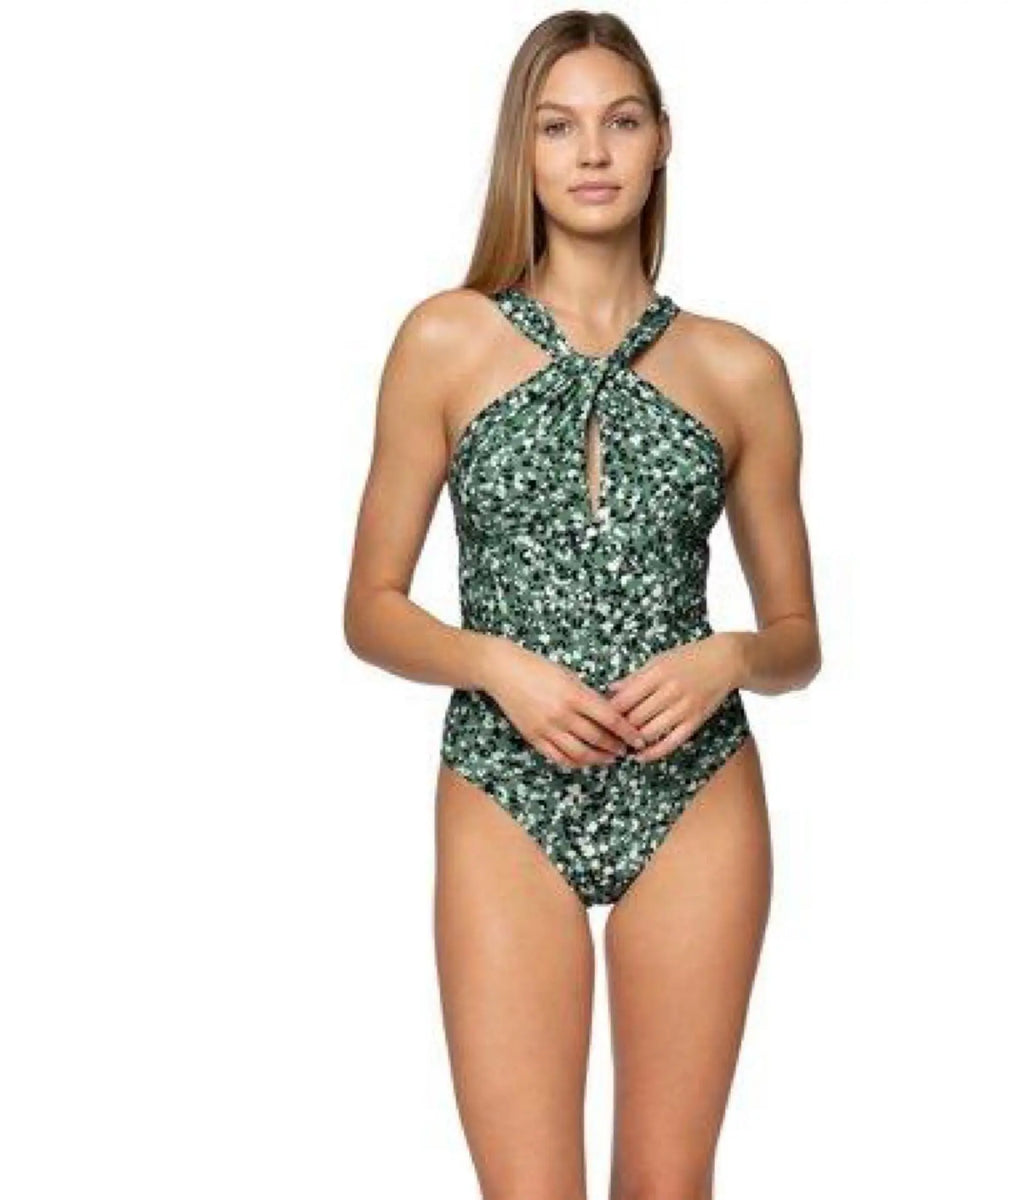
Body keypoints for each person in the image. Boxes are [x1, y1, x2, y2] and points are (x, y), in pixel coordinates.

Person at [343, 10, 820, 1197]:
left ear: (664, 141)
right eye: (558, 127)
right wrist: (494, 664)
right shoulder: (444, 340)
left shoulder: (741, 369)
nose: (593, 152)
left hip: (694, 787)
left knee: (669, 1185)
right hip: (503, 781)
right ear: (524, 149)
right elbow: (370, 607)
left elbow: (799, 639)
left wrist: (729, 658)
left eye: (621, 122)